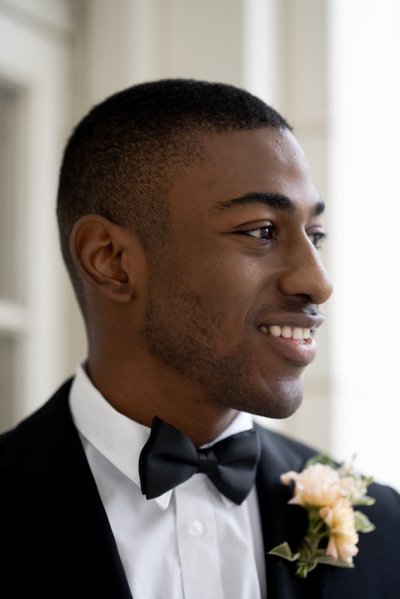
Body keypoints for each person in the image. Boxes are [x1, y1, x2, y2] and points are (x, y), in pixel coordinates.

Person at [0, 79, 399, 599]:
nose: (318, 281)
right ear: (110, 260)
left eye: (314, 236)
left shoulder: (383, 525)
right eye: (261, 231)